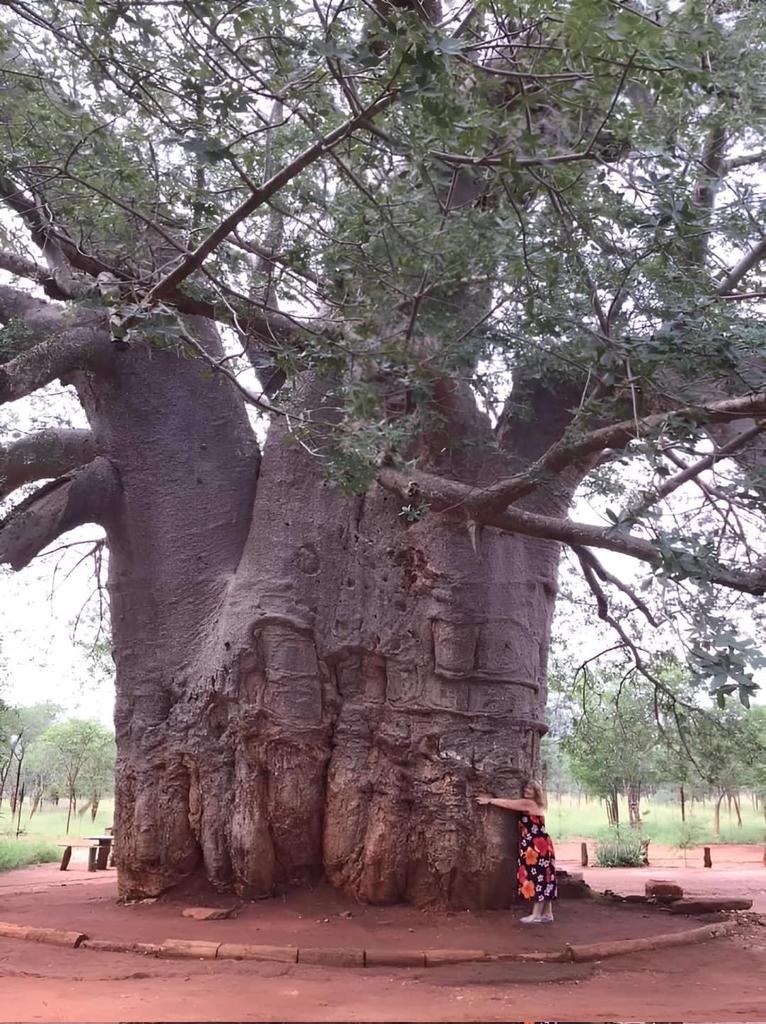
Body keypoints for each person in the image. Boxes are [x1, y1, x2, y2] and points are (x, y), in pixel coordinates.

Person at [476, 780, 557, 924]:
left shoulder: (529, 804)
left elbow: (509, 804)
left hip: (535, 845)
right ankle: (547, 913)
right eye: (526, 788)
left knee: (536, 877)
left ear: (536, 793)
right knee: (545, 877)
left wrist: (489, 801)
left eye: (530, 789)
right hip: (542, 844)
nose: (526, 790)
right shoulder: (536, 804)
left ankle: (536, 915)